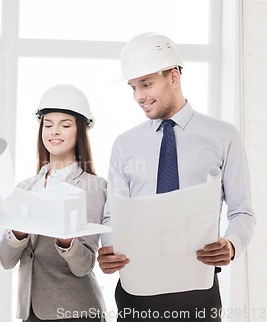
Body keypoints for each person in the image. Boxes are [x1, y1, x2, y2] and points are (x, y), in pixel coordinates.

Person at [97, 32, 256, 321]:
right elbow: (112, 216)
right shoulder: (125, 144)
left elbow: (242, 211)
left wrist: (231, 244)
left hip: (198, 290)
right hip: (136, 290)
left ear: (173, 77)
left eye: (146, 84)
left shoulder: (223, 136)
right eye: (133, 87)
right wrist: (109, 247)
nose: (139, 96)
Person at [0, 84, 107, 322]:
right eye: (48, 125)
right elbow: (5, 261)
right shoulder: (26, 188)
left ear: (80, 130)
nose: (54, 131)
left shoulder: (92, 186)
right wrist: (17, 233)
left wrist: (67, 241)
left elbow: (84, 266)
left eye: (65, 125)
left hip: (75, 311)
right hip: (30, 313)